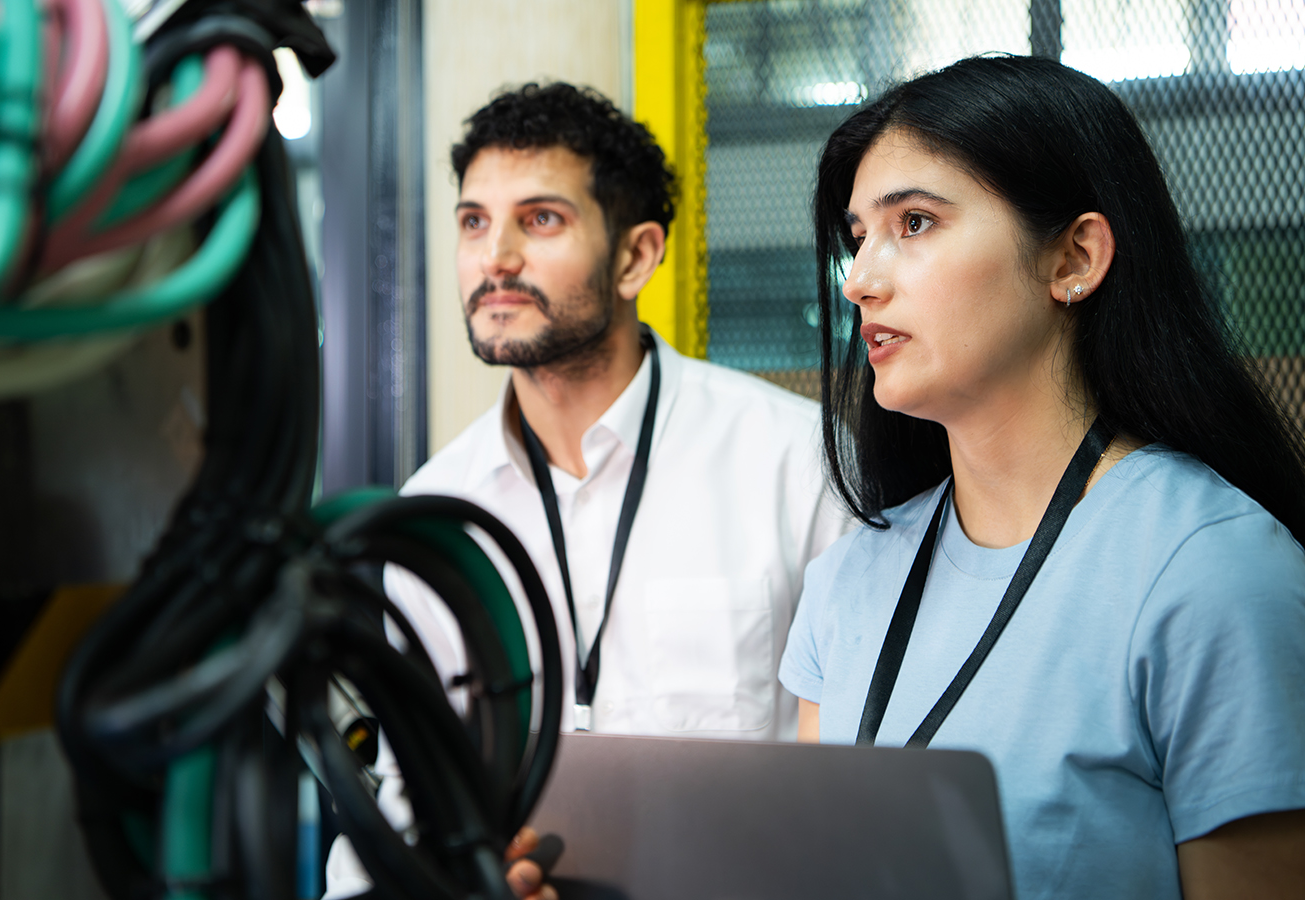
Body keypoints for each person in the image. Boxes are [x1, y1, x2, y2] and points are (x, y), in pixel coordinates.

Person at [778, 54, 1305, 899]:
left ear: (1074, 257)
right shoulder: (850, 579)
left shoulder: (1214, 570)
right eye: (857, 238)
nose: (861, 282)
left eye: (914, 223)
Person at [324, 82, 848, 899]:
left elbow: (861, 780)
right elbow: (408, 786)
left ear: (637, 256)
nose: (494, 256)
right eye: (473, 221)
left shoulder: (796, 464)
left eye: (540, 219)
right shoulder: (434, 510)